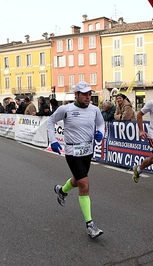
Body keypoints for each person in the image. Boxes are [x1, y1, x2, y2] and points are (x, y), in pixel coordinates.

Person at [47, 81, 105, 239]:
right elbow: (51, 121)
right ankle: (90, 225)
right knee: (84, 185)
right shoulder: (66, 109)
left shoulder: (94, 110)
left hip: (88, 151)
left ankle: (61, 190)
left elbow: (101, 124)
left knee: (79, 180)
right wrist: (53, 141)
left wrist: (100, 133)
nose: (88, 97)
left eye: (89, 94)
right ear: (76, 95)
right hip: (72, 151)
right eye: (84, 94)